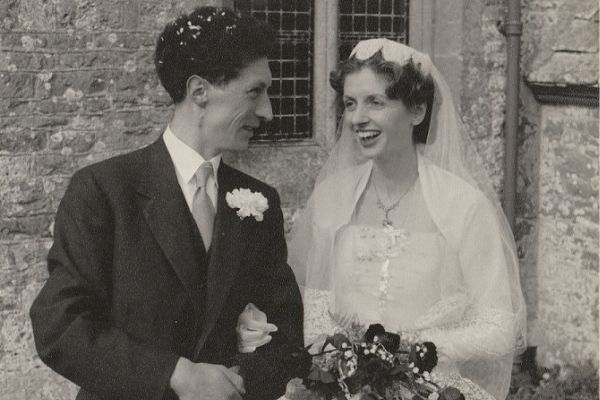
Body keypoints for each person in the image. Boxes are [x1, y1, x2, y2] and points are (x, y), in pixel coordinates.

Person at [30, 6, 303, 400]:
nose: (268, 111)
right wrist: (176, 375)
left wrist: (240, 381)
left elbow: (287, 333)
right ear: (199, 91)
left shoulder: (261, 203)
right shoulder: (103, 191)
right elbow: (60, 325)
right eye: (254, 92)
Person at [238, 39, 526, 400]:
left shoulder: (464, 206)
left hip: (431, 389)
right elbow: (310, 307)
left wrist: (408, 350)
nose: (358, 118)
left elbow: (500, 327)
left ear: (417, 110)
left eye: (376, 102)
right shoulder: (332, 196)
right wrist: (350, 364)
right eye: (350, 103)